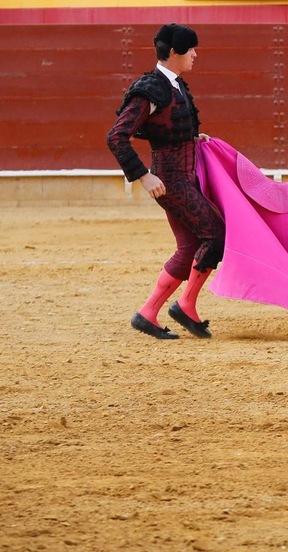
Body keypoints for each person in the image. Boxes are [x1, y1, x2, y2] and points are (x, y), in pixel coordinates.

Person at [108, 24, 222, 340]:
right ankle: (185, 305)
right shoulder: (152, 88)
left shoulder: (172, 84)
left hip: (182, 177)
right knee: (216, 233)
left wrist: (191, 138)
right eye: (191, 49)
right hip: (170, 182)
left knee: (189, 248)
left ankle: (148, 313)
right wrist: (143, 175)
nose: (195, 54)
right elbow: (117, 136)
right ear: (174, 52)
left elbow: (163, 127)